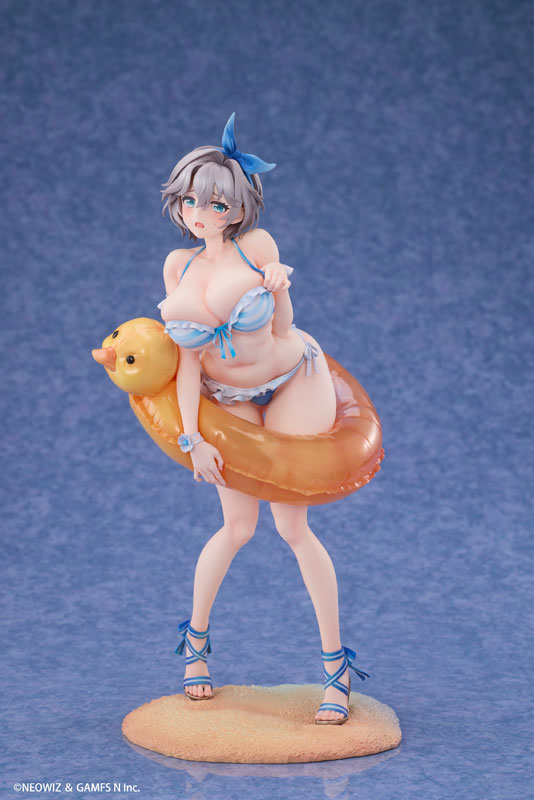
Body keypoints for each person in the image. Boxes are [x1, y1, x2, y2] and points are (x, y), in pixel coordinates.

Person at [157, 114, 369, 725]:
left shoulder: (258, 247)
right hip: (228, 396)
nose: (200, 213)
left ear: (237, 207)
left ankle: (336, 667)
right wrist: (192, 438)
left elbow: (281, 327)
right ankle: (194, 648)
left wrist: (278, 286)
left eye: (215, 203)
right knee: (237, 527)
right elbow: (187, 364)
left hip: (293, 374)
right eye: (190, 200)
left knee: (293, 526)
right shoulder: (178, 266)